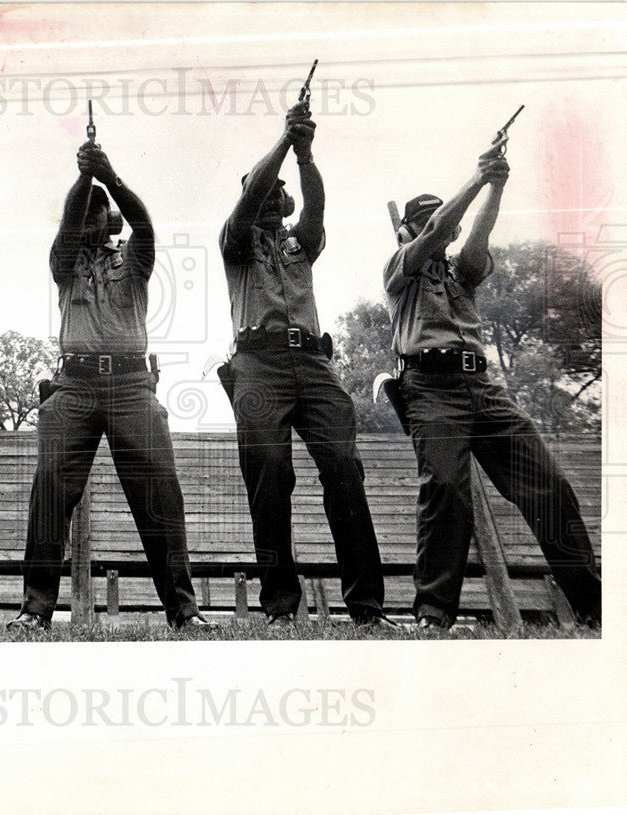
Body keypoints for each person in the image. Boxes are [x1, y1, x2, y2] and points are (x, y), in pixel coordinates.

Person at [383, 138, 602, 629]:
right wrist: (478, 177)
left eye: (441, 219)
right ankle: (434, 613)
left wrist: (496, 188)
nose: (442, 226)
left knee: (548, 483)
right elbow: (440, 229)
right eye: (428, 221)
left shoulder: (461, 272)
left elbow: (474, 242)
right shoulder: (401, 266)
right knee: (446, 490)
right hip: (429, 388)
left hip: (481, 387)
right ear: (408, 230)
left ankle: (593, 605)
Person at [9, 140, 212, 631]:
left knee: (160, 492)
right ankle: (35, 609)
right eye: (82, 212)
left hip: (131, 385)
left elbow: (144, 224)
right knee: (50, 492)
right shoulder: (63, 261)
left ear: (109, 218)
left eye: (96, 212)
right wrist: (83, 179)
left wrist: (110, 176)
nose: (86, 220)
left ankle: (183, 611)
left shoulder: (135, 257)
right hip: (73, 385)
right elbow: (65, 225)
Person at [218, 103, 392, 627]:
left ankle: (367, 606)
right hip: (258, 364)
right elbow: (249, 200)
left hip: (314, 363)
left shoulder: (300, 243)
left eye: (278, 190)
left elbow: (314, 207)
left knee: (344, 471)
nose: (272, 195)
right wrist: (282, 142)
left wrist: (306, 153)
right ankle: (279, 608)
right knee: (269, 478)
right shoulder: (236, 241)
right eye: (263, 189)